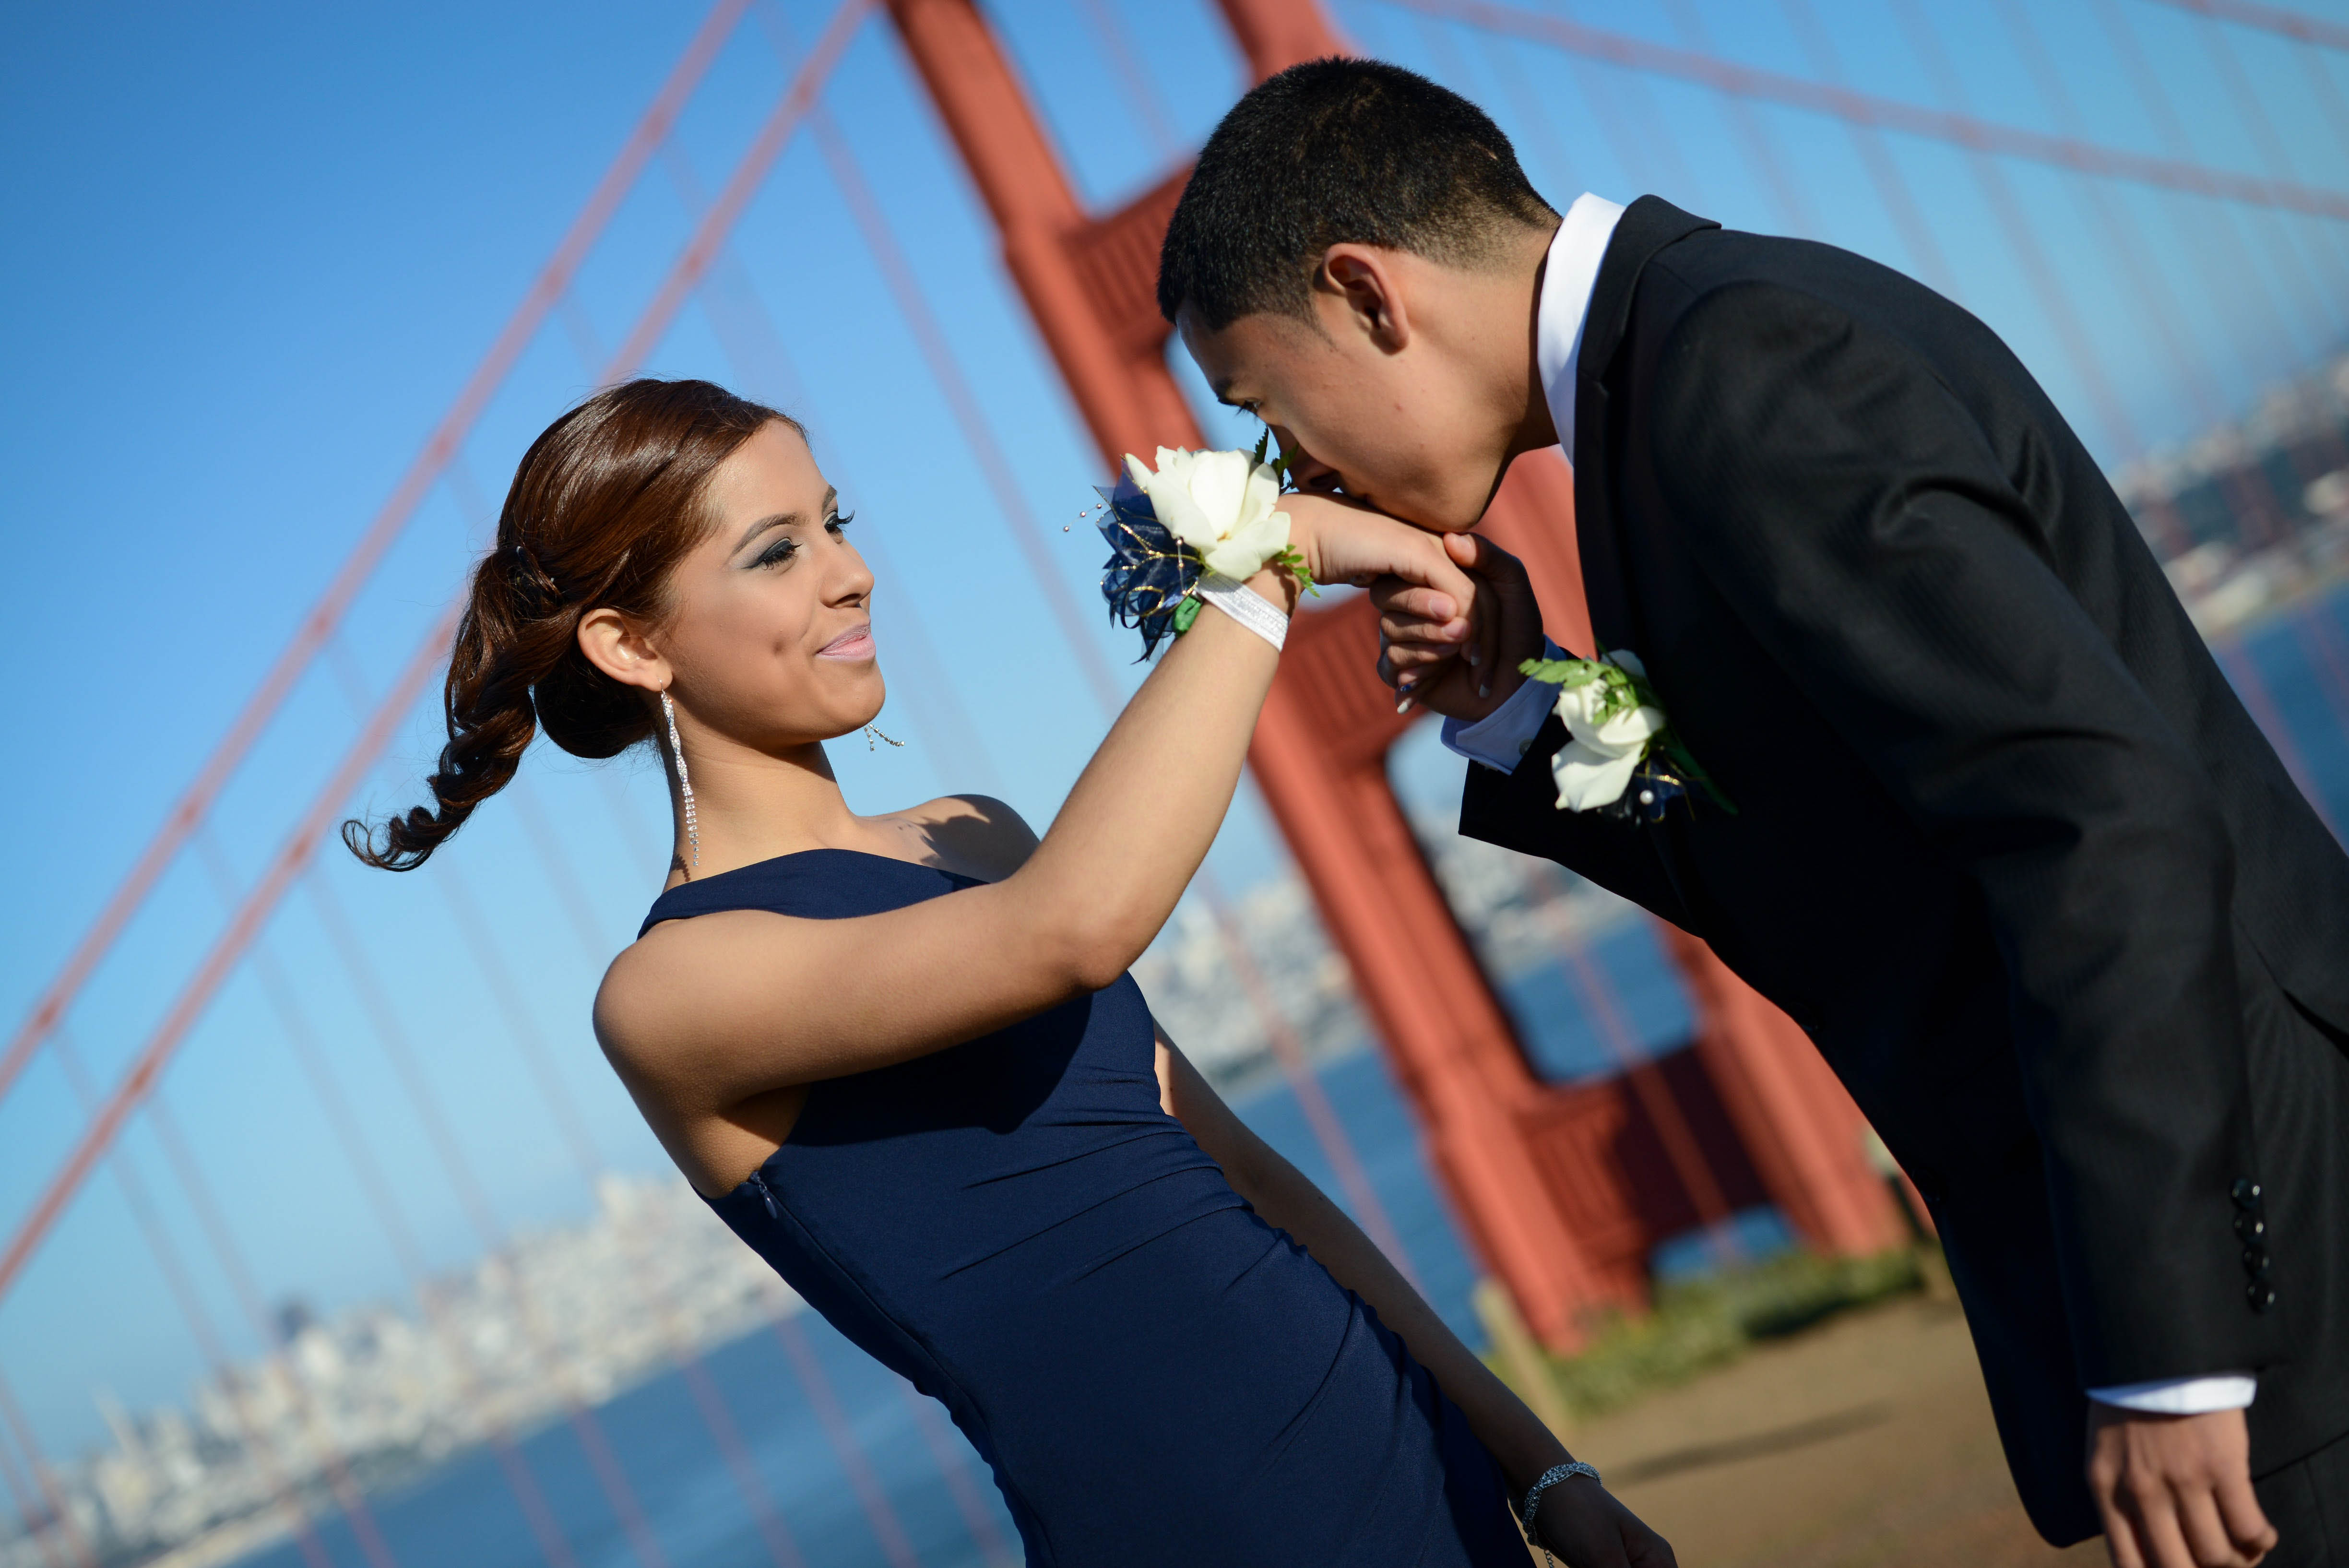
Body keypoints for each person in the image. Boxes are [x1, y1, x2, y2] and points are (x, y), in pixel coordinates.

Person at [1157, 58, 2349, 1568]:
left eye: (1268, 403)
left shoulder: (1740, 368)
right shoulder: (1686, 361)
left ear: (1368, 294)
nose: (1299, 470)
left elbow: (2099, 816)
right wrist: (1519, 704)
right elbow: (1830, 875)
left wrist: (2174, 1342)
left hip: (2278, 1280)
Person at [344, 378, 1677, 1568]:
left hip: (1414, 1466)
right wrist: (1265, 570)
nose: (851, 574)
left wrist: (1539, 1462)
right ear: (634, 646)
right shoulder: (668, 993)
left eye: (836, 521)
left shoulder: (975, 834)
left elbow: (1249, 1180)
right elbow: (1075, 926)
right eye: (776, 551)